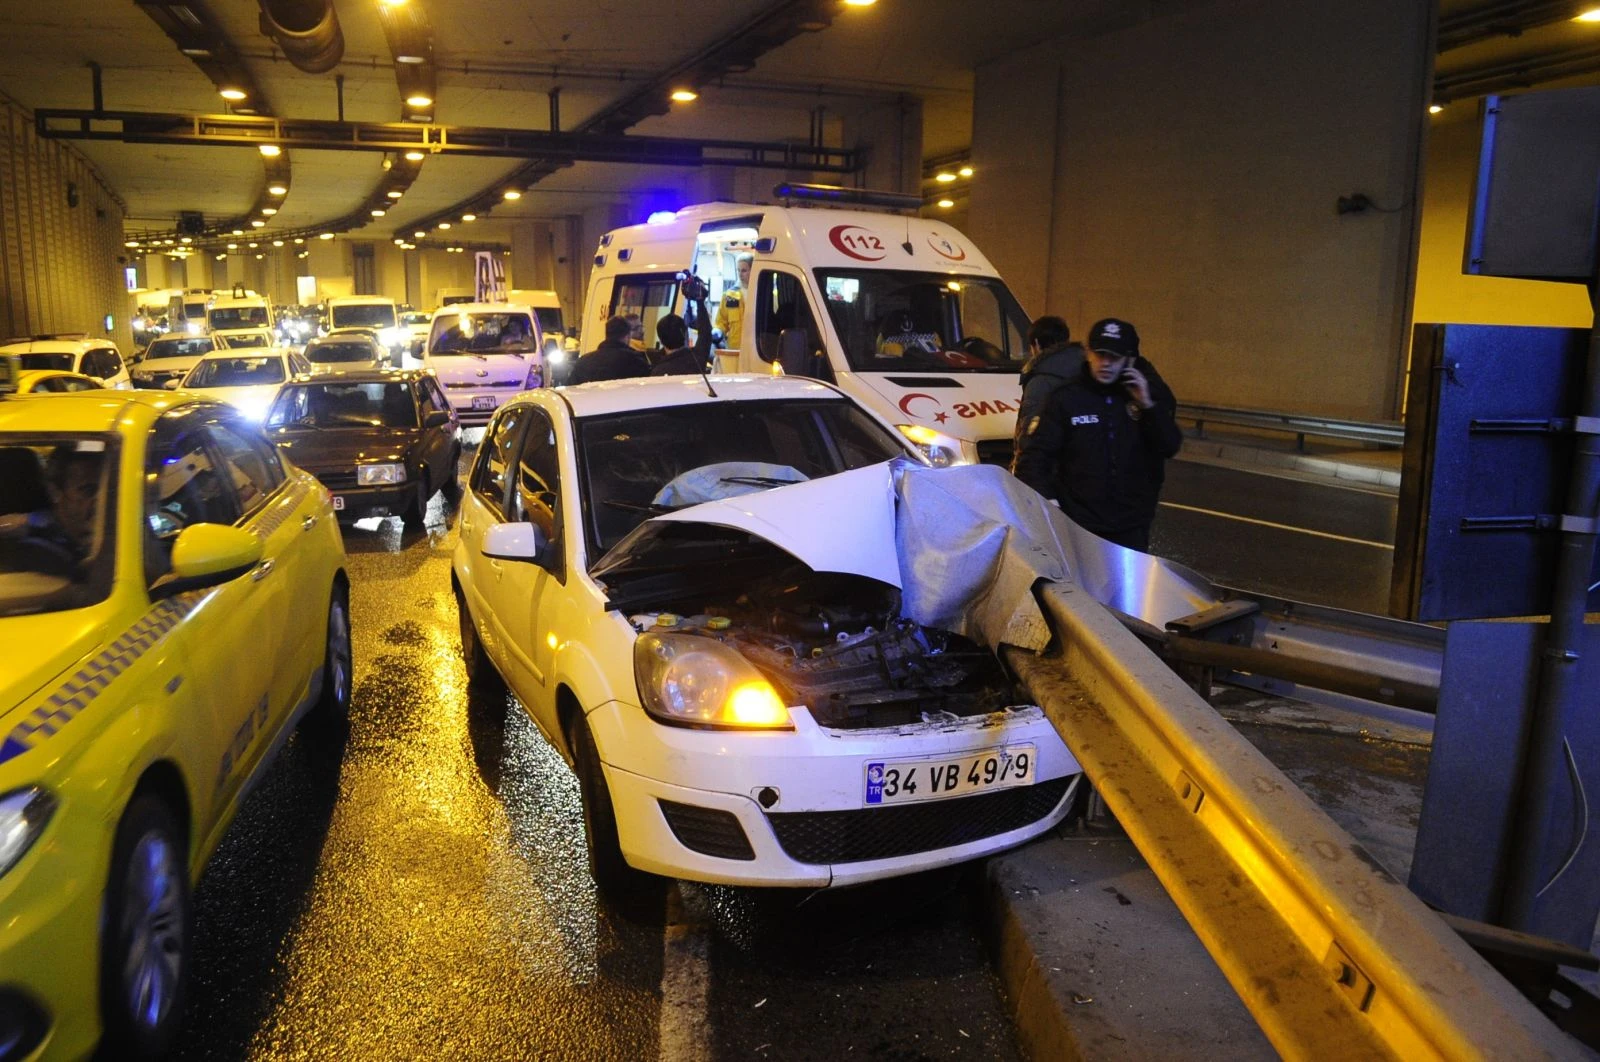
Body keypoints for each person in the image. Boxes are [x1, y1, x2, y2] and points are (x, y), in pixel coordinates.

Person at [1011, 317, 1181, 552]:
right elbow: (1034, 458)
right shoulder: (1066, 398)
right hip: (1077, 526)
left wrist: (1148, 406)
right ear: (1088, 352)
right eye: (1100, 354)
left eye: (1114, 357)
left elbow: (1169, 445)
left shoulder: (1147, 394)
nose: (1106, 363)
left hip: (1131, 527)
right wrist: (1051, 505)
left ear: (1130, 359)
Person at [649, 285, 714, 377]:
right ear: (684, 334)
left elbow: (705, 333)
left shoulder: (657, 371)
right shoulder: (696, 360)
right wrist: (700, 301)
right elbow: (705, 333)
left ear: (661, 340)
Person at [567, 315, 649, 385]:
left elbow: (571, 389)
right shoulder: (636, 362)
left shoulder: (583, 362)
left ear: (607, 334)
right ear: (628, 336)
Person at [714, 253, 753, 350]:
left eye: (744, 270)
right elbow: (721, 321)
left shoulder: (760, 294)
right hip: (734, 350)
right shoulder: (729, 296)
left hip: (754, 349)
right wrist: (717, 331)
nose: (740, 274)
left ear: (753, 270)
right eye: (738, 270)